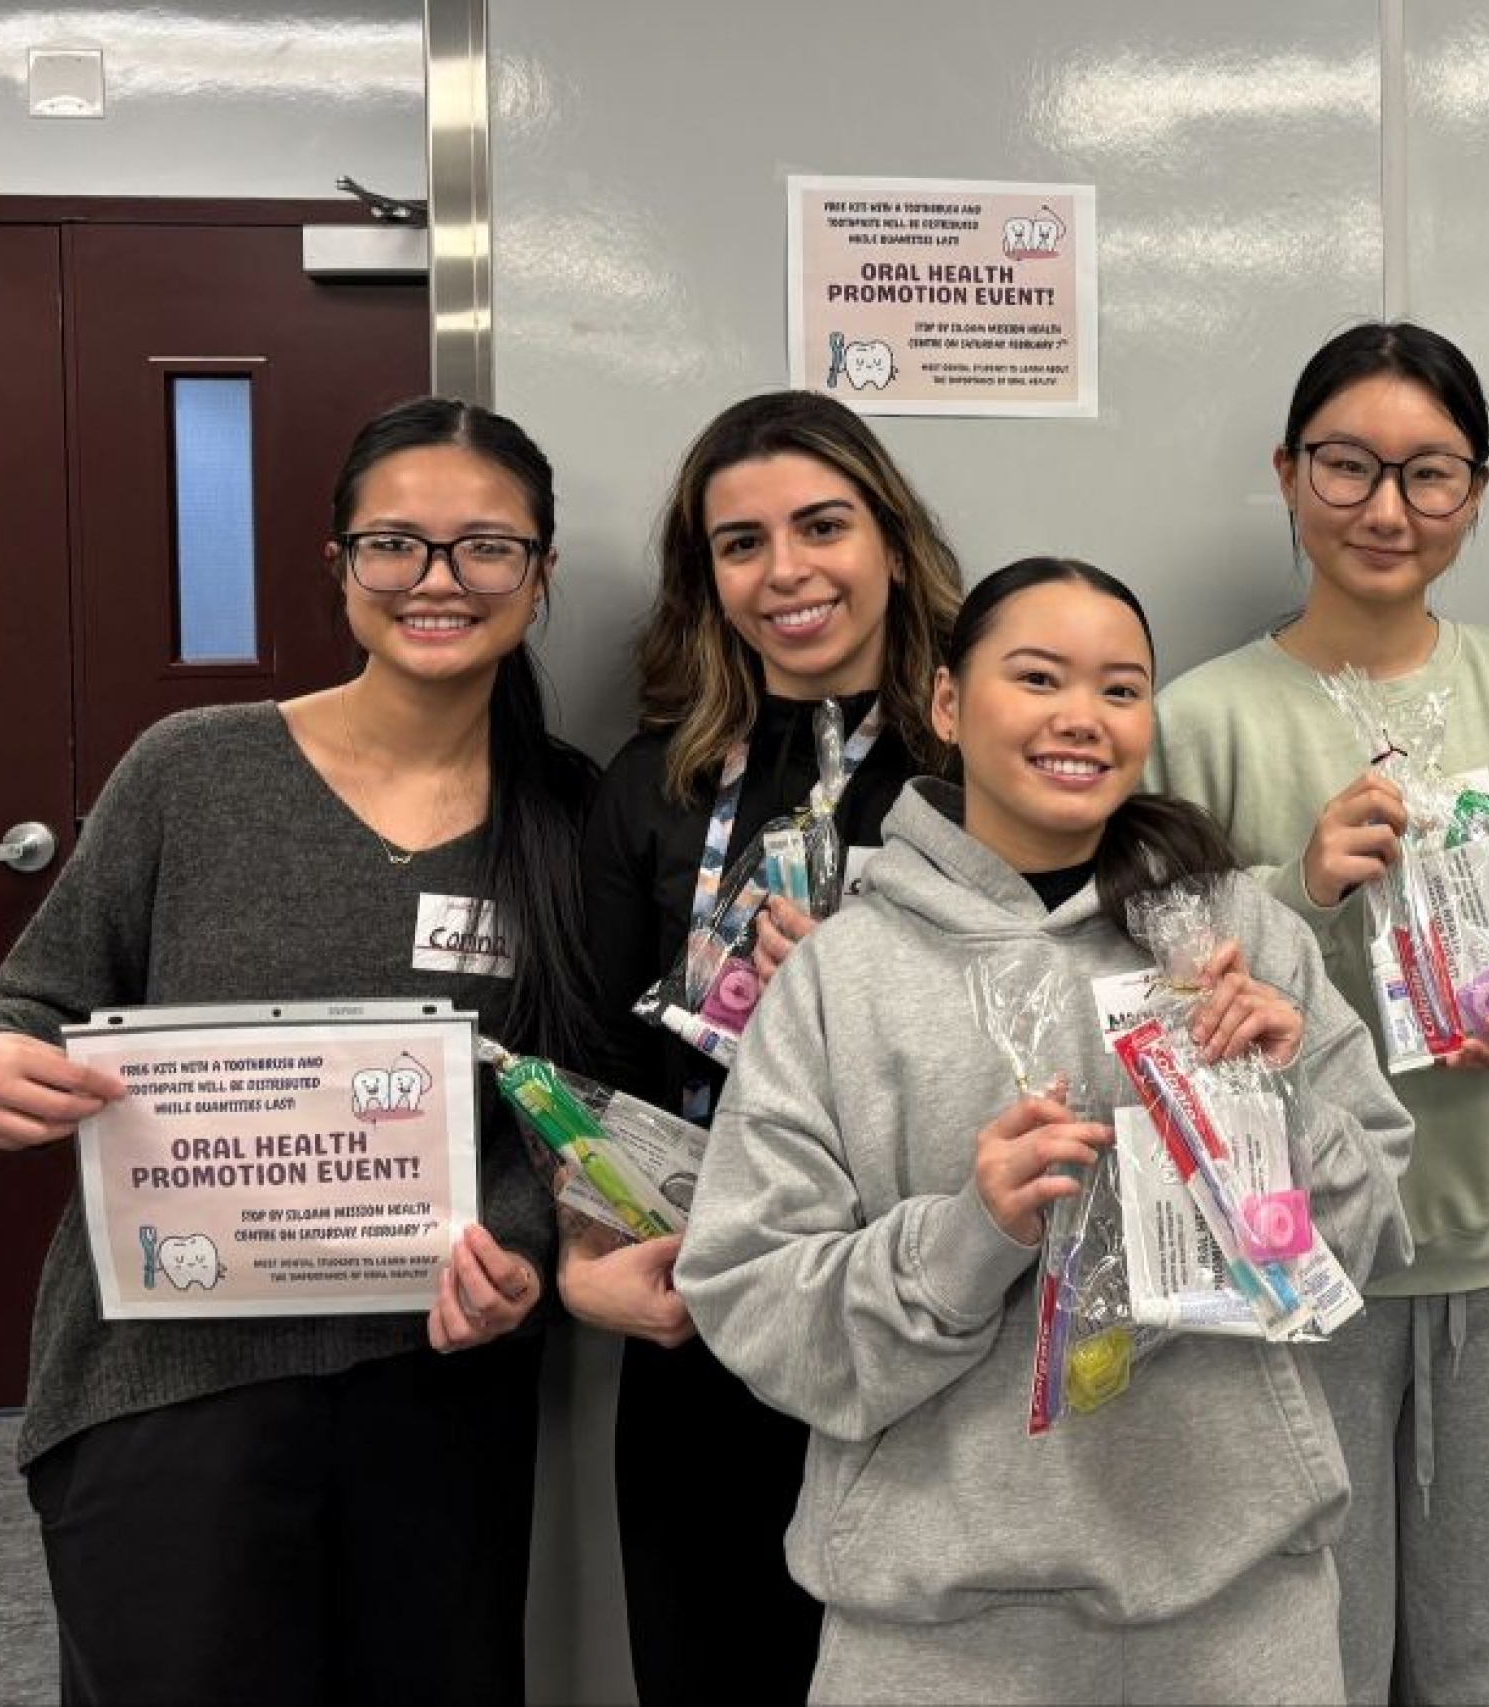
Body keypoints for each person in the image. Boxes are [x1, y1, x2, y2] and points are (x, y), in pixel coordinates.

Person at [0, 397, 596, 1704]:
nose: (437, 580)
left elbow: (567, 1105)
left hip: (435, 1388)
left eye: (485, 546)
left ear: (542, 571)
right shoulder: (194, 770)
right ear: (338, 562)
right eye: (394, 542)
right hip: (164, 1384)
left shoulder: (575, 815)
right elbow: (32, 1005)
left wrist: (519, 1247)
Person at [674, 557, 1415, 1704]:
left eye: (1121, 689)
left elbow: (1363, 1231)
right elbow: (750, 1296)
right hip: (927, 1631)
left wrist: (1284, 1117)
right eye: (1038, 678)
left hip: (1237, 1608)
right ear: (949, 704)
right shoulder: (840, 976)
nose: (1083, 718)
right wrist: (971, 1236)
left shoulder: (1233, 937)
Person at [1151, 321, 1489, 1704]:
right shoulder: (1201, 719)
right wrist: (1293, 895)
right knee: (1305, 1658)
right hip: (1287, 1270)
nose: (1386, 507)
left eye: (1430, 474)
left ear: (1477, 494)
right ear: (1288, 474)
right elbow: (1157, 998)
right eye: (1349, 465)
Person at [569, 389, 964, 1703]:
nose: (786, 570)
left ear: (892, 542)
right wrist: (593, 1259)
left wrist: (865, 991)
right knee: (713, 1655)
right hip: (707, 1306)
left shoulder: (987, 767)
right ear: (707, 577)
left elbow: (1068, 1023)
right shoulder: (655, 784)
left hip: (931, 1305)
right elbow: (592, 1066)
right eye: (741, 542)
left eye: (822, 525)